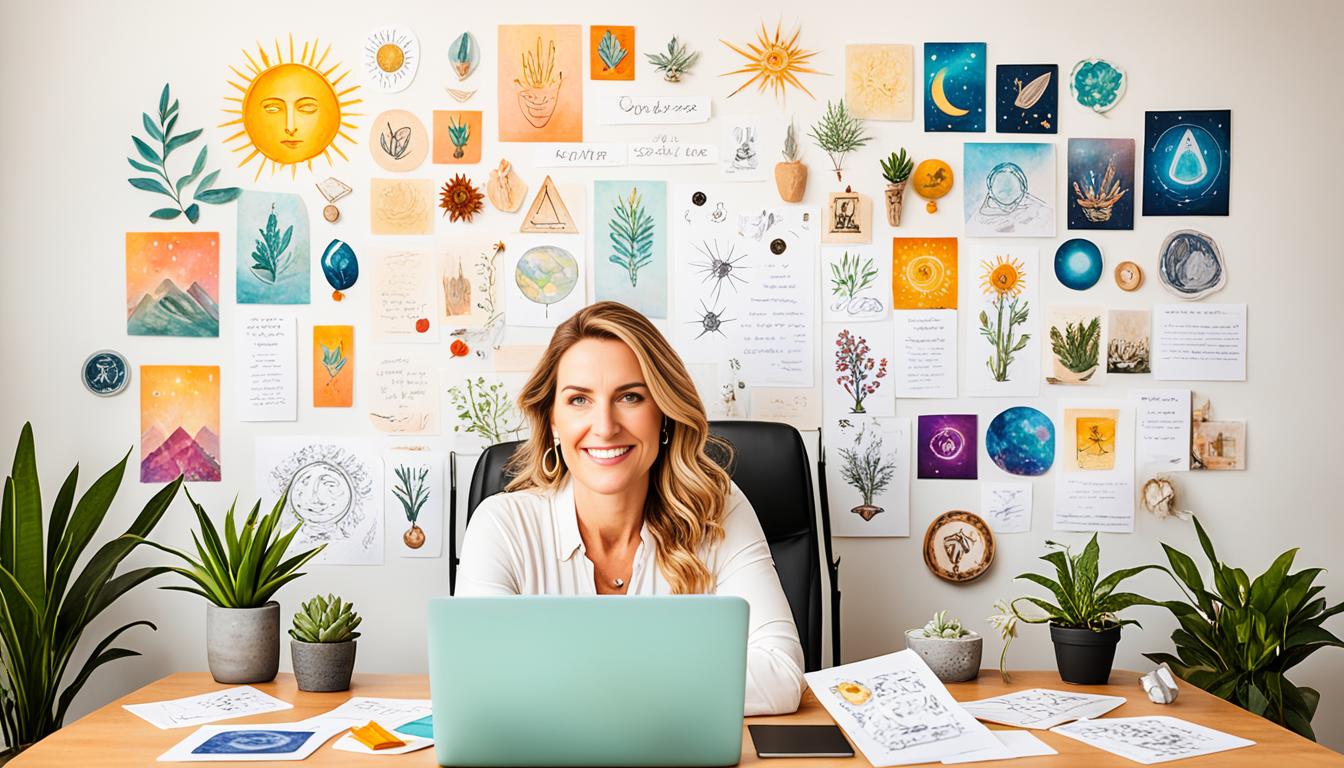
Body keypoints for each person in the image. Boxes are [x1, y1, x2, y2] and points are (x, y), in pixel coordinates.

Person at [456, 301, 805, 716]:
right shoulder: (501, 526)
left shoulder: (717, 508)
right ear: (552, 420)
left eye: (630, 397)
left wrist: (570, 680)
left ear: (663, 414)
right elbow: (480, 685)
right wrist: (668, 680)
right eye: (579, 400)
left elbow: (781, 675)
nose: (604, 426)